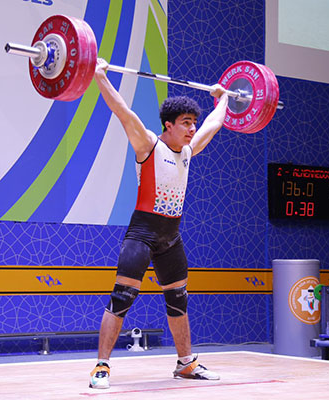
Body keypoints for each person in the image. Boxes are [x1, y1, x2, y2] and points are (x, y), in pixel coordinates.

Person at [88, 58, 229, 389]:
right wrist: (99, 76)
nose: (192, 128)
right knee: (122, 297)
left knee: (178, 299)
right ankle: (101, 367)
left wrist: (223, 98)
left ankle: (186, 363)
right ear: (168, 125)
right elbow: (123, 112)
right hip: (142, 233)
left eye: (193, 123)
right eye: (185, 123)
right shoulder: (149, 144)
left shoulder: (188, 152)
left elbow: (214, 125)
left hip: (171, 237)